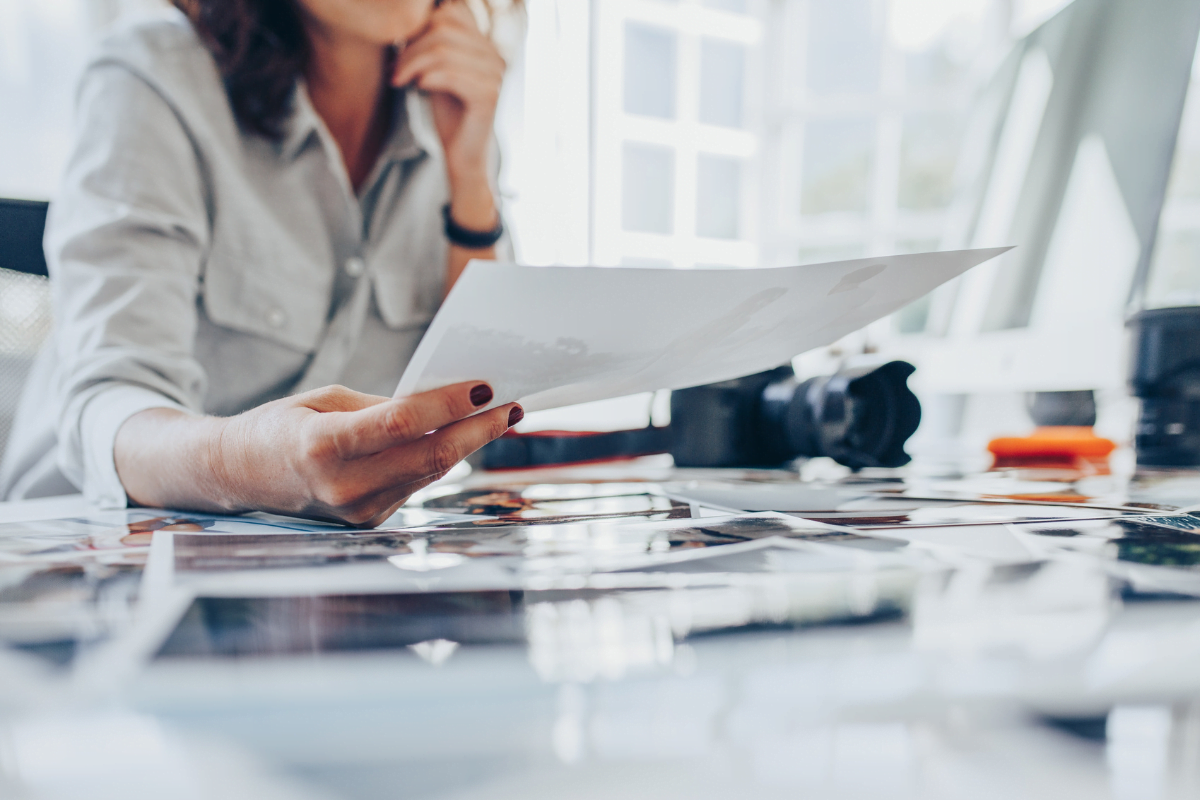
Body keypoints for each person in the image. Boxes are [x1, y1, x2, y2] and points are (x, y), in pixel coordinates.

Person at [0, 0, 524, 527]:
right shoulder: (154, 76)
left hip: (308, 561)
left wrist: (471, 176)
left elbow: (486, 411)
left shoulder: (450, 108)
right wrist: (244, 464)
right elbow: (110, 407)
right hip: (88, 546)